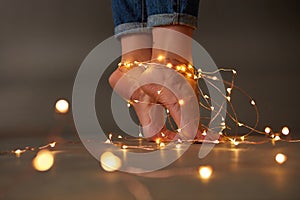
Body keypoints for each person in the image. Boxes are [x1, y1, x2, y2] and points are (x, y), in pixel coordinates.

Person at [109, 0, 202, 141]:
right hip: (168, 68)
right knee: (170, 63)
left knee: (137, 62)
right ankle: (170, 64)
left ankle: (135, 69)